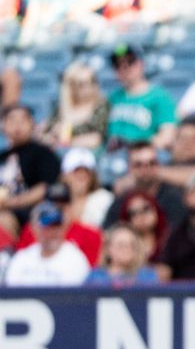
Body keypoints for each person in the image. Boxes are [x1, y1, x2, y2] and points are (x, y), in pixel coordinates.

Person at [0, 104, 62, 232]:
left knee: (3, 219)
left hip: (31, 212)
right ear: (3, 126)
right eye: (12, 120)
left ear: (32, 124)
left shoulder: (43, 153)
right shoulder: (2, 157)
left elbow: (44, 188)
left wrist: (11, 203)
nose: (18, 125)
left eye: (23, 120)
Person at [106, 44, 178, 150]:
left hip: (143, 159)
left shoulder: (159, 97)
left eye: (130, 62)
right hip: (111, 157)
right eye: (118, 65)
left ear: (141, 64)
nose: (124, 68)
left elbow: (167, 137)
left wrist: (135, 145)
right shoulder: (112, 98)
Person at [2, 204, 91, 286]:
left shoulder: (74, 259)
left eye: (56, 226)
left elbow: (71, 298)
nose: (53, 232)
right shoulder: (22, 258)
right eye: (46, 227)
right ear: (34, 229)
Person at [103, 142, 187, 229]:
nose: (145, 169)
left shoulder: (174, 198)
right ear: (130, 168)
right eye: (138, 165)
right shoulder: (121, 201)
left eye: (151, 163)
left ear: (158, 165)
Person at [44, 61, 108, 150]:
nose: (88, 87)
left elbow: (96, 137)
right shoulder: (62, 109)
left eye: (92, 81)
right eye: (81, 84)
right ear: (72, 86)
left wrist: (65, 135)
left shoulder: (101, 105)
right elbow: (49, 130)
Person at [84, 223, 160, 286]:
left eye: (131, 245)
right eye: (121, 245)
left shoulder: (147, 276)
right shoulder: (95, 277)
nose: (127, 249)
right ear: (108, 248)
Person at [59, 148, 114, 230]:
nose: (82, 175)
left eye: (87, 171)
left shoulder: (105, 199)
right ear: (65, 175)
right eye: (76, 171)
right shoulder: (56, 201)